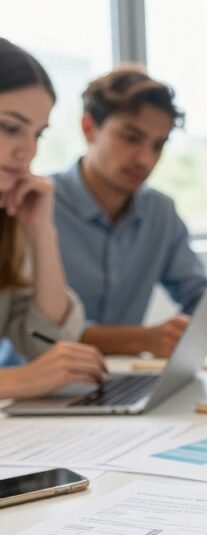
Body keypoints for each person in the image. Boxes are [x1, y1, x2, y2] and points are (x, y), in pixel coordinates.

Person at [50, 67, 207, 358]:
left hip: (118, 382)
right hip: (29, 391)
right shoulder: (40, 205)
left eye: (158, 145)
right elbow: (38, 328)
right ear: (89, 128)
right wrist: (141, 340)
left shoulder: (159, 211)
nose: (145, 159)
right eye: (131, 138)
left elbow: (196, 290)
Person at [0, 38, 106, 399]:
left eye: (37, 134)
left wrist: (41, 231)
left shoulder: (6, 222)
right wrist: (17, 381)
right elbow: (36, 369)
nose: (27, 150)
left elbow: (48, 348)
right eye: (10, 127)